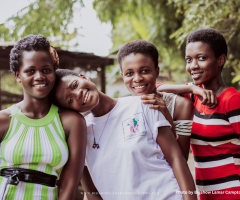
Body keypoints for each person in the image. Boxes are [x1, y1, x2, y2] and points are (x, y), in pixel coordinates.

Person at [52, 69, 197, 200]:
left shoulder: (143, 104)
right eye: (70, 99)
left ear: (84, 77)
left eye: (75, 85)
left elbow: (176, 158)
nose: (78, 94)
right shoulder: (80, 135)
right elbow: (92, 193)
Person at [157, 28, 240, 200]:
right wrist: (191, 87)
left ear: (220, 60)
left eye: (201, 58)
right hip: (205, 193)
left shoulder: (232, 100)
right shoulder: (192, 96)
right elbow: (153, 88)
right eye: (189, 59)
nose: (193, 66)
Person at [0, 35, 87, 199]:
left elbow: (69, 185)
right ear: (18, 75)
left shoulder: (71, 122)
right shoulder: (4, 120)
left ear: (54, 71)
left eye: (46, 70)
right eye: (30, 71)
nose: (39, 76)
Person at [117, 40, 194, 160]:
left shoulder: (180, 106)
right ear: (123, 76)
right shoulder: (120, 110)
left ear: (157, 71)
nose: (137, 78)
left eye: (145, 71)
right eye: (129, 73)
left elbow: (182, 157)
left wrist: (166, 115)